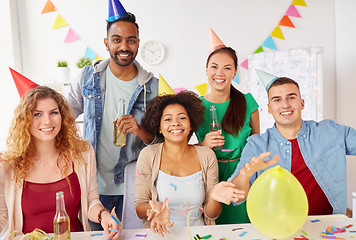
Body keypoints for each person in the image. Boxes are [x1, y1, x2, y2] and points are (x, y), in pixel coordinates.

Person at [66, 1, 158, 228]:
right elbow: (62, 118)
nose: (124, 46)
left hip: (135, 187)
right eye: (117, 40)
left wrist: (139, 130)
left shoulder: (152, 87)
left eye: (131, 40)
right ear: (107, 43)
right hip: (91, 187)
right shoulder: (88, 77)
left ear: (138, 43)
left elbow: (161, 142)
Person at [0, 86, 121, 239]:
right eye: (37, 114)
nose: (47, 121)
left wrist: (103, 215)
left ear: (62, 116)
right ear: (25, 120)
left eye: (54, 113)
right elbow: (2, 216)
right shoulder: (8, 164)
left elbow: (91, 200)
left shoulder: (82, 153)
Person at [228, 75, 356, 215]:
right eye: (277, 100)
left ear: (301, 103)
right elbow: (236, 197)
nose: (285, 105)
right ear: (269, 108)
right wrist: (245, 175)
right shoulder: (256, 145)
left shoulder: (330, 131)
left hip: (329, 227)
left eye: (291, 97)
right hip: (280, 229)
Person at [135, 91, 245, 237]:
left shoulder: (207, 155)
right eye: (168, 119)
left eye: (182, 118)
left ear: (191, 124)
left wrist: (214, 198)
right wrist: (156, 208)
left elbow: (211, 214)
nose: (175, 123)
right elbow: (139, 207)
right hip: (160, 235)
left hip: (198, 235)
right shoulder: (148, 155)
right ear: (159, 127)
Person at [196, 30, 260, 224]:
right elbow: (182, 151)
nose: (219, 73)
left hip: (243, 178)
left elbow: (257, 145)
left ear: (234, 72)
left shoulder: (248, 103)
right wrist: (204, 144)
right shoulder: (196, 107)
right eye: (214, 67)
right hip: (210, 180)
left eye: (227, 68)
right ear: (206, 70)